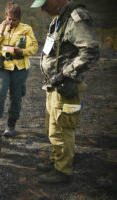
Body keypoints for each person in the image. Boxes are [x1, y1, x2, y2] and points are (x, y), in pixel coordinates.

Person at [31, 0, 99, 183]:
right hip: (54, 86)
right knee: (52, 129)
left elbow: (91, 50)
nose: (43, 9)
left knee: (63, 128)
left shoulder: (76, 17)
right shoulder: (58, 19)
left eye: (45, 4)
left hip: (66, 86)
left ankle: (62, 171)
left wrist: (65, 74)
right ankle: (56, 161)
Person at [0, 1, 38, 139]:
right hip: (3, 67)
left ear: (19, 19)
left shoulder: (26, 29)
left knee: (16, 97)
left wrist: (22, 51)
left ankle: (10, 126)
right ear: (5, 16)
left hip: (20, 68)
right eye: (9, 19)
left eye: (14, 20)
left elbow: (34, 48)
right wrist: (1, 32)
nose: (11, 22)